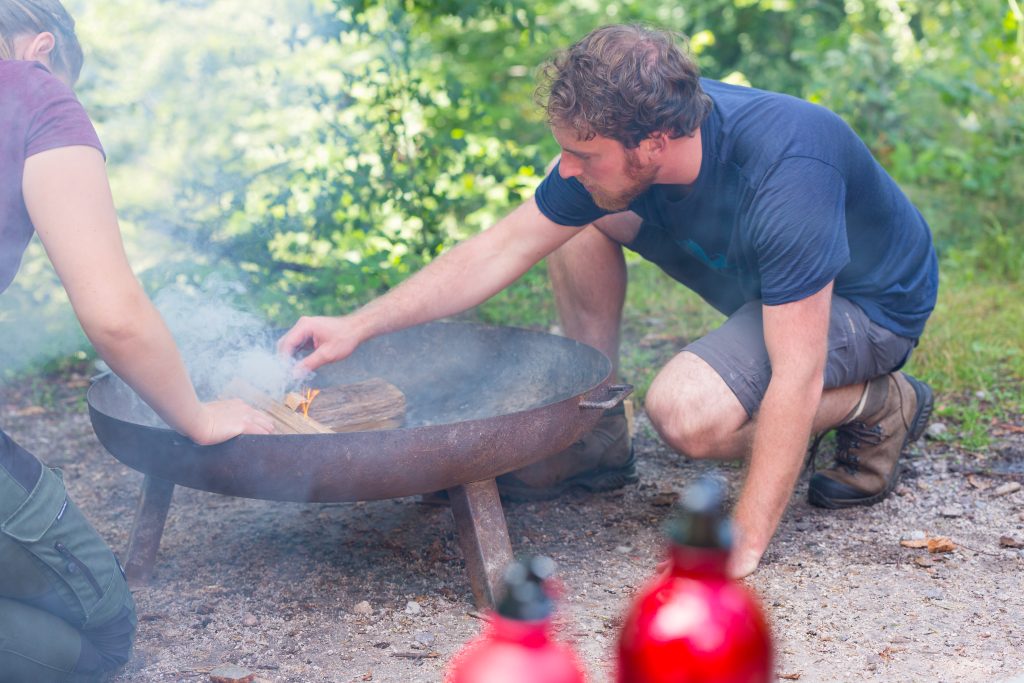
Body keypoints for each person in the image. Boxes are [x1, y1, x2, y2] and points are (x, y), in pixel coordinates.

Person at [279, 24, 937, 579]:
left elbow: (798, 370)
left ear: (654, 143)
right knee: (578, 219)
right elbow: (500, 248)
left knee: (686, 413)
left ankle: (880, 402)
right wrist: (356, 325)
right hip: (763, 281)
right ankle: (592, 434)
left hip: (866, 302)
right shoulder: (624, 156)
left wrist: (742, 540)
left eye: (583, 153)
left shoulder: (790, 165)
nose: (566, 167)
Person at [0, 2, 275, 680]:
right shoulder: (33, 88)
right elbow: (114, 313)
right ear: (41, 49)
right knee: (102, 631)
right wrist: (201, 416)